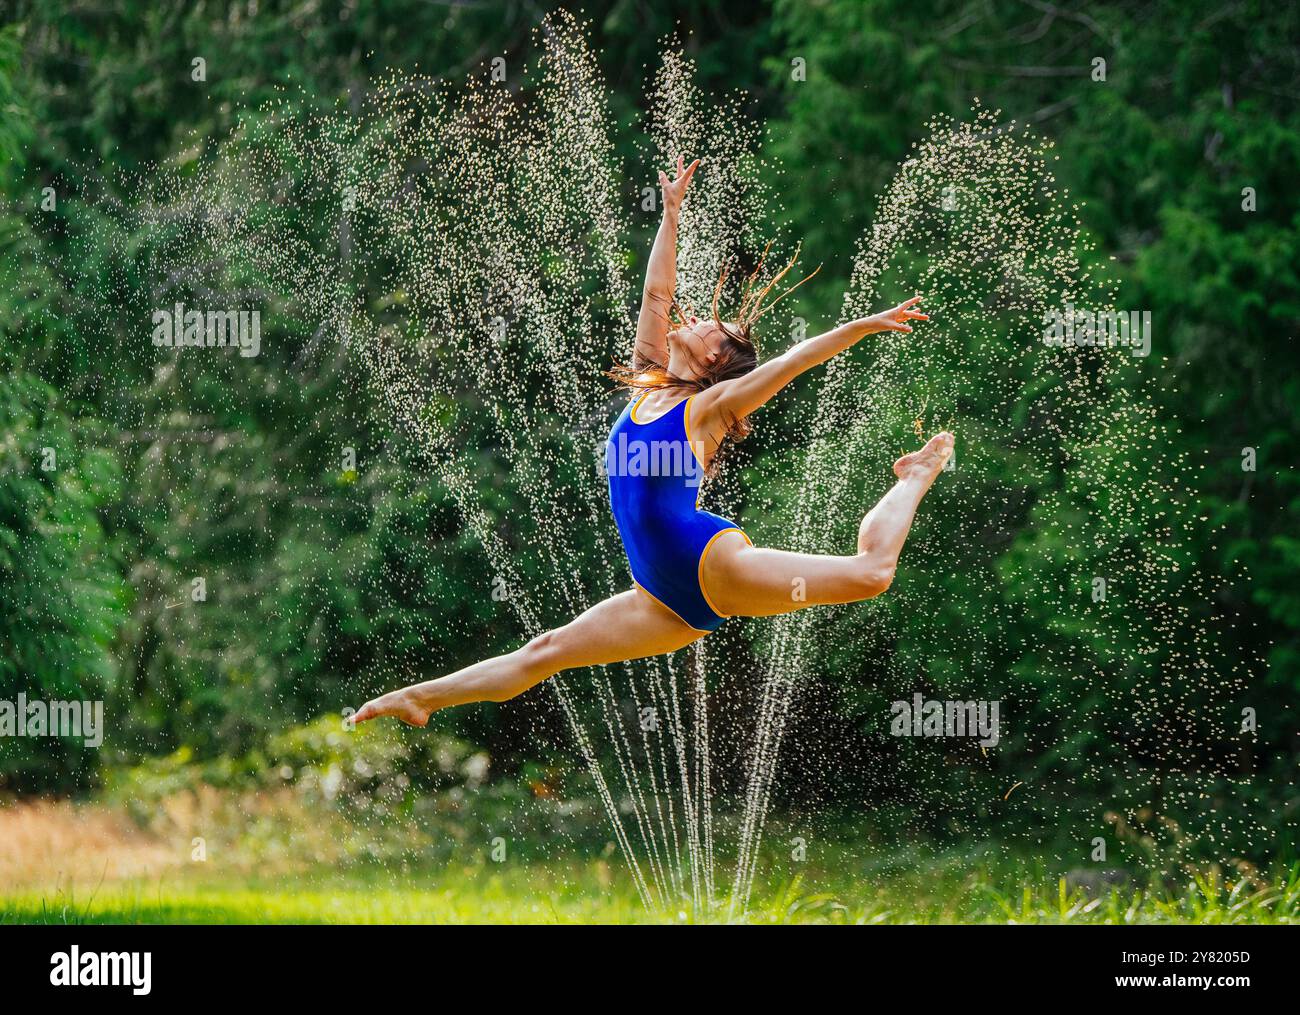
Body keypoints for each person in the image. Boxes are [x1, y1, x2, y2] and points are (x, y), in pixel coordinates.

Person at [354, 156, 951, 726]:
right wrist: (670, 216)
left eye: (706, 327)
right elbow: (655, 296)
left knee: (871, 574)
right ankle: (419, 698)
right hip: (659, 597)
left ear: (715, 359)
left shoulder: (709, 409)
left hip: (709, 564)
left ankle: (914, 477)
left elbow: (792, 362)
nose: (688, 321)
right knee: (544, 651)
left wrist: (866, 325)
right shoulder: (649, 382)